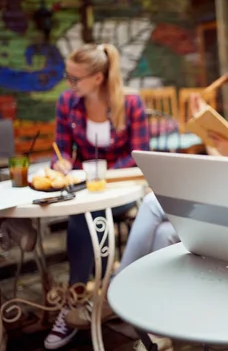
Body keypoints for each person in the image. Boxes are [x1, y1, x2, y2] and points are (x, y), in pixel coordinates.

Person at [64, 52, 228, 339]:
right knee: (166, 232)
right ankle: (149, 321)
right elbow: (227, 167)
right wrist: (211, 139)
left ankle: (112, 296)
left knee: (155, 202)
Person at [45, 43, 149, 350]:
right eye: (68, 76)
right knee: (83, 213)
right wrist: (61, 162)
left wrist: (101, 173)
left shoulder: (129, 103)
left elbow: (139, 155)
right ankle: (84, 300)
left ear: (98, 78)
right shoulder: (67, 102)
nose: (69, 84)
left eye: (75, 78)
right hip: (82, 190)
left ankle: (85, 298)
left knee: (85, 217)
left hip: (123, 191)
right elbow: (62, 147)